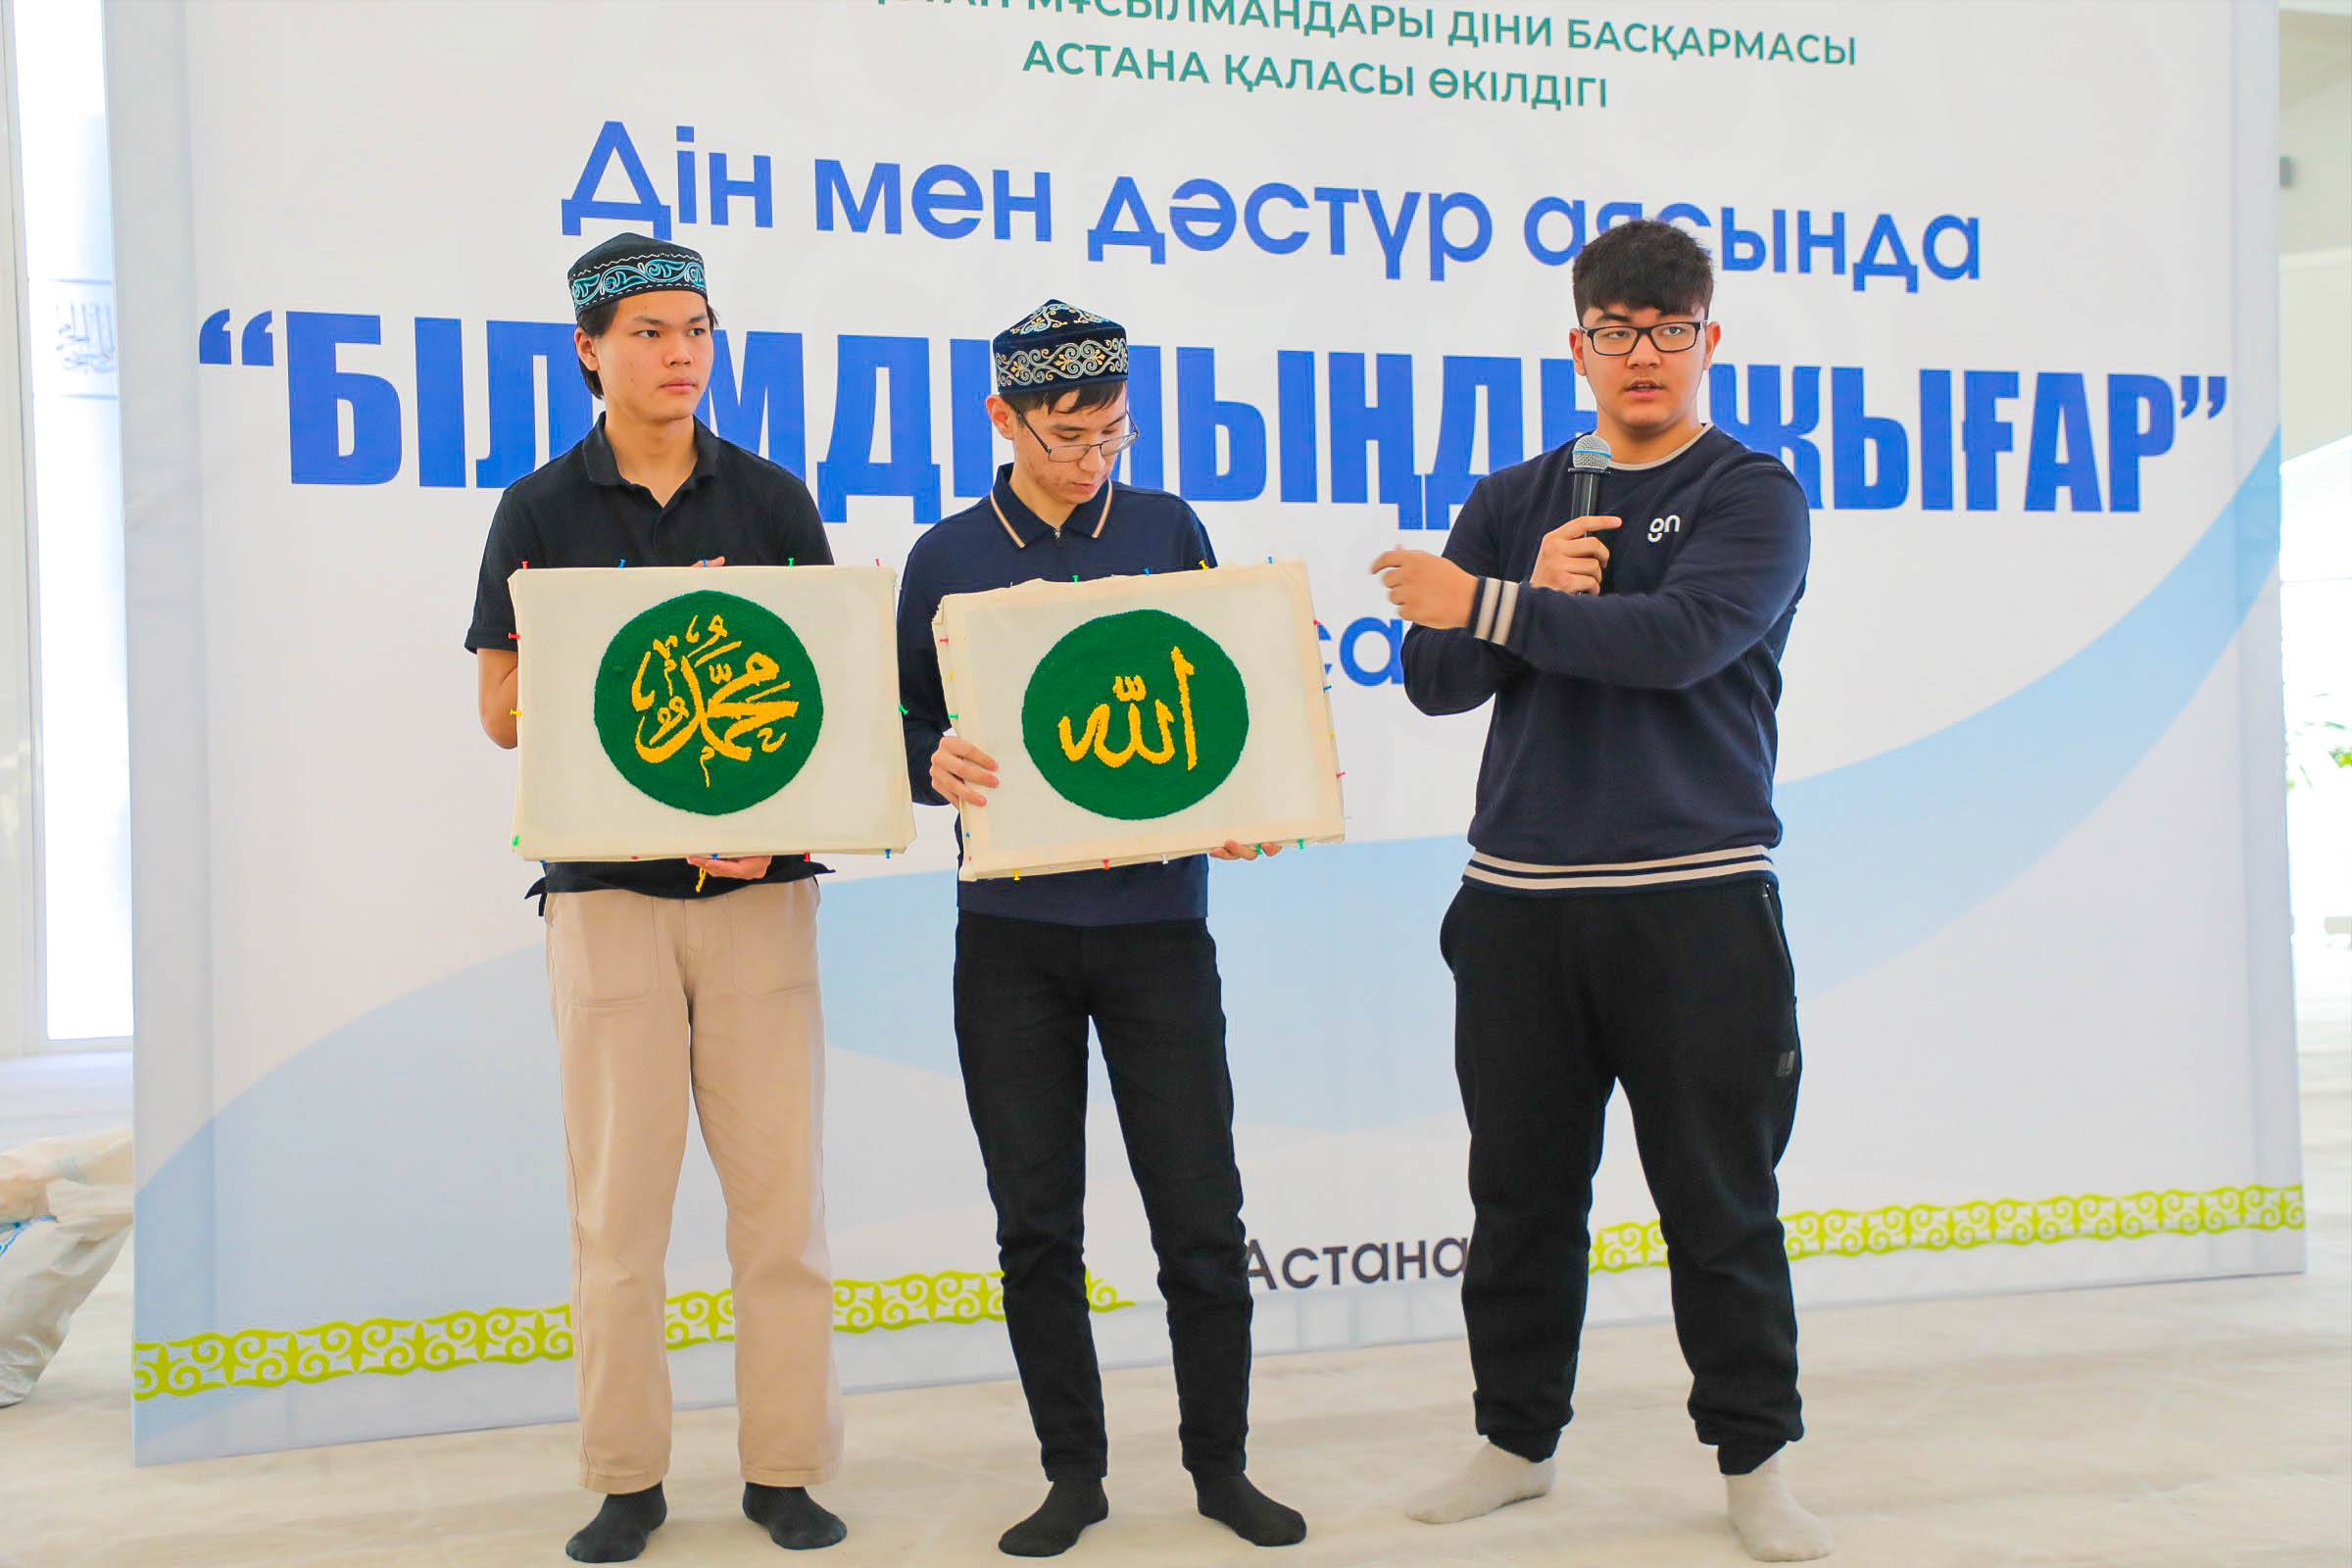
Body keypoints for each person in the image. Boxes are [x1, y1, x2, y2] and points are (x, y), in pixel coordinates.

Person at [1372, 219, 1831, 1562]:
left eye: (1670, 331)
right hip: (1519, 904)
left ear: (1708, 340)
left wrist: (1494, 606)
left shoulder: (1752, 492)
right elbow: (1432, 677)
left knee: (1719, 1200)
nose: (1644, 355)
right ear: (1578, 346)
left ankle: (1756, 1461)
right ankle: (1515, 1443)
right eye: (1618, 332)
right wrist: (1513, 590)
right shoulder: (1517, 499)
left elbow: (1681, 642)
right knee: (1520, 1198)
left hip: (1696, 899)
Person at [896, 299, 1306, 1558]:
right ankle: (1072, 1474)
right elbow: (900, 728)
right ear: (1002, 418)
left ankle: (1220, 1466)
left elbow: (1223, 699)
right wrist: (933, 762)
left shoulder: (1168, 528)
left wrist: (1242, 806)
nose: (1091, 459)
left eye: (1112, 432)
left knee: (1201, 1213)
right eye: (1066, 435)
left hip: (1158, 927)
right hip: (1009, 936)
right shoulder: (947, 554)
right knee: (1037, 1223)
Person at [466, 233, 846, 1562]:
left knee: (780, 1207)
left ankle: (786, 1468)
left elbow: (827, 696)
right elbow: (501, 710)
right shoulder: (539, 510)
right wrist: (623, 642)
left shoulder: (775, 500)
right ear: (589, 350)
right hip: (606, 899)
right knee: (619, 1214)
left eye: (696, 329)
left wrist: (773, 827)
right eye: (648, 333)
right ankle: (626, 1478)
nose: (680, 353)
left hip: (760, 897)